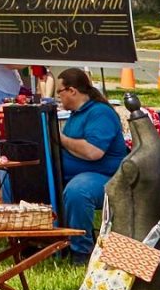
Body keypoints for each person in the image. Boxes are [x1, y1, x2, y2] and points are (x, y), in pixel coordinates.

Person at [53, 67, 128, 255]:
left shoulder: (100, 113)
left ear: (72, 91)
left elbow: (93, 152)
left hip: (107, 177)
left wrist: (60, 138)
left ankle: (81, 251)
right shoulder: (76, 115)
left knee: (79, 191)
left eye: (59, 92)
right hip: (74, 173)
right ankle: (38, 242)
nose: (58, 97)